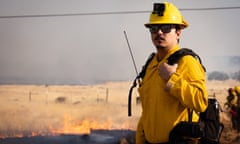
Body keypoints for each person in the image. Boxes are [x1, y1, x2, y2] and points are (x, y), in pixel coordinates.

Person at [136, 2, 208, 144]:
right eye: (154, 28)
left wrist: (172, 79)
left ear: (178, 32)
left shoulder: (186, 61)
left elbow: (201, 102)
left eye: (166, 27)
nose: (159, 32)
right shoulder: (151, 64)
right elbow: (147, 112)